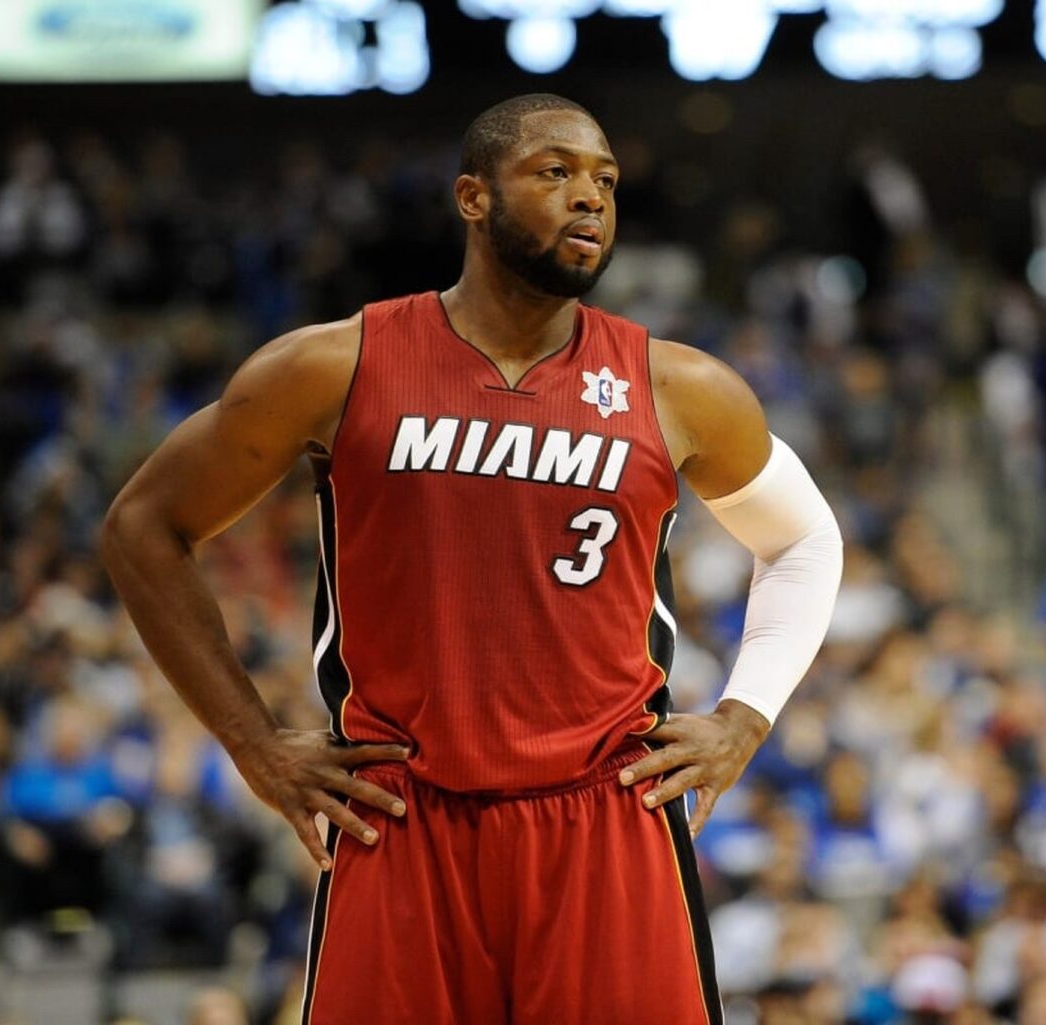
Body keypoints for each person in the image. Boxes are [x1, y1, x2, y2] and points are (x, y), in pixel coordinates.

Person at [101, 93, 844, 1024]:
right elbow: (143, 527)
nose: (590, 197)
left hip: (605, 814)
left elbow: (805, 539)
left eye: (606, 180)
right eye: (555, 172)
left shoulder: (680, 385)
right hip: (404, 816)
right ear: (473, 197)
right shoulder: (333, 366)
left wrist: (746, 715)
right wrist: (252, 742)